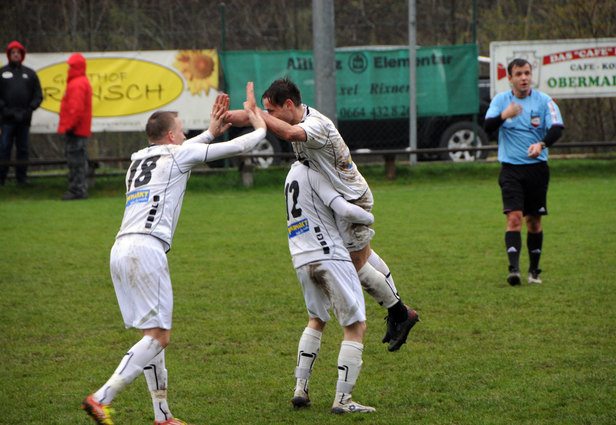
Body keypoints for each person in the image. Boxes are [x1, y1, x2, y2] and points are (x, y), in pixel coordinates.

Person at [82, 85, 266, 425]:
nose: (185, 135)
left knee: (152, 334)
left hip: (121, 248)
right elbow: (239, 146)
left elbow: (182, 151)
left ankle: (162, 416)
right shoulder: (178, 154)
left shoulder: (138, 159)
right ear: (170, 135)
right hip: (146, 250)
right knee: (160, 336)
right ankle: (100, 397)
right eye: (182, 131)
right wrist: (261, 126)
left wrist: (209, 133)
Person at [225, 78, 419, 352]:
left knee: (355, 265)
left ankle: (400, 313)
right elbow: (255, 117)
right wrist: (226, 117)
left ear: (289, 105)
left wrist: (258, 116)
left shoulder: (316, 125)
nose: (268, 116)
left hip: (351, 199)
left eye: (272, 111)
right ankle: (398, 311)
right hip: (338, 199)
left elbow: (289, 134)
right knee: (365, 256)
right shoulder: (293, 117)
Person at [285, 160, 376, 414]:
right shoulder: (316, 171)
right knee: (355, 326)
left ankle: (300, 389)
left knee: (316, 319)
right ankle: (343, 400)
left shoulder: (292, 172)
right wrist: (369, 217)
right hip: (329, 255)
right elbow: (344, 210)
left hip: (301, 257)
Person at [484, 58, 564, 286]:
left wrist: (541, 145)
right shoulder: (501, 101)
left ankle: (534, 271)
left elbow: (557, 128)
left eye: (527, 73)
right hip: (510, 170)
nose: (524, 78)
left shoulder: (544, 101)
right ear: (510, 78)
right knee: (514, 218)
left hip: (537, 170)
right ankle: (514, 270)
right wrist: (504, 115)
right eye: (518, 74)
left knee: (534, 222)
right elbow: (487, 126)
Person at [0, 40, 42, 186]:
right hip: (7, 119)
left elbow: (38, 95)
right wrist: (4, 109)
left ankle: (22, 178)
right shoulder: (2, 73)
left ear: (22, 55)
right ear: (9, 55)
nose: (16, 55)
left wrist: (30, 109)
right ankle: (1, 178)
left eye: (18, 52)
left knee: (23, 149)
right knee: (4, 147)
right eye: (13, 52)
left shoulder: (30, 74)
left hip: (24, 118)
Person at [58, 53, 93, 200]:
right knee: (79, 160)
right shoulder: (81, 81)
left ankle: (77, 190)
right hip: (80, 129)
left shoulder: (77, 83)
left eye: (70, 66)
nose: (68, 69)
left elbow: (75, 108)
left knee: (76, 161)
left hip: (76, 130)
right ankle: (78, 189)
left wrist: (70, 126)